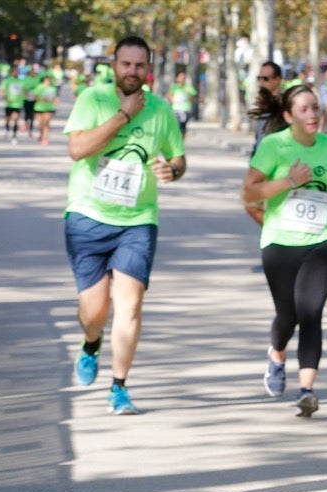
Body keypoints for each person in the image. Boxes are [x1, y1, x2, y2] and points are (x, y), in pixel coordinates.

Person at [62, 36, 186, 415]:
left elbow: (179, 159)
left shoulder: (162, 110)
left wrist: (172, 170)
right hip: (87, 216)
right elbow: (78, 149)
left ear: (148, 67)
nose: (132, 71)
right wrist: (124, 115)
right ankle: (91, 343)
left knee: (129, 306)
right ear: (114, 65)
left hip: (138, 220)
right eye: (126, 64)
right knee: (94, 313)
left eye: (139, 65)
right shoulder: (93, 100)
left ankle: (119, 387)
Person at [242, 83, 327, 416]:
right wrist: (288, 182)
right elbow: (249, 194)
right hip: (280, 242)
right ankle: (276, 353)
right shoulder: (273, 146)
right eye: (304, 109)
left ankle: (307, 390)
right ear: (288, 116)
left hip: (321, 240)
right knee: (288, 315)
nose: (313, 114)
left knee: (311, 312)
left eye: (316, 107)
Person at [33, 73, 59, 147]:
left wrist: (55, 101)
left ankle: (46, 138)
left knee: (46, 123)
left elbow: (55, 97)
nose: (48, 81)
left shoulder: (53, 88)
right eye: (46, 80)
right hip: (39, 107)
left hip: (49, 108)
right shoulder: (39, 87)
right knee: (41, 124)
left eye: (49, 80)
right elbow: (35, 97)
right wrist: (42, 99)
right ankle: (41, 133)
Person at [167, 69, 195, 136]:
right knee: (176, 125)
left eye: (184, 78)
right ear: (177, 78)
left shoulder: (188, 87)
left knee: (183, 127)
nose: (182, 79)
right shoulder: (174, 87)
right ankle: (176, 139)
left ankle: (182, 141)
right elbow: (169, 95)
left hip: (186, 109)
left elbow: (192, 96)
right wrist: (172, 101)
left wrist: (187, 94)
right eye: (180, 78)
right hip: (176, 109)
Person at [2, 67, 25, 142]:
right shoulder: (7, 81)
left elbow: (25, 91)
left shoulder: (21, 81)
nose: (16, 73)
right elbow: (2, 91)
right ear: (11, 73)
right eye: (14, 71)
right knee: (8, 119)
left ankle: (14, 136)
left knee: (16, 119)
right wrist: (6, 98)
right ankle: (7, 128)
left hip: (18, 104)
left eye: (17, 71)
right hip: (9, 104)